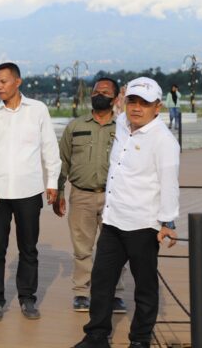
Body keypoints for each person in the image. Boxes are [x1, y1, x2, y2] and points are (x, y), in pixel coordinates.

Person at [74, 77, 180, 348]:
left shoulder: (163, 141)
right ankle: (97, 335)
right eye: (132, 101)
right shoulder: (122, 124)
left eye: (144, 103)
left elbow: (169, 183)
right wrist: (120, 100)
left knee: (145, 287)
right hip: (112, 221)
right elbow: (118, 111)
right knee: (101, 280)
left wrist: (167, 221)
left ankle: (140, 340)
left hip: (143, 225)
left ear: (157, 107)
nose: (137, 108)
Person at [0, 62, 61, 322]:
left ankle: (27, 298)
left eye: (3, 81)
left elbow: (49, 148)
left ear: (18, 82)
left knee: (28, 248)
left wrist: (53, 182)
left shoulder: (37, 110)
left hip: (29, 190)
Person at [54, 77, 127, 313]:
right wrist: (59, 192)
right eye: (96, 91)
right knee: (82, 247)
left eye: (105, 92)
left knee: (115, 248)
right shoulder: (75, 127)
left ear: (115, 99)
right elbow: (62, 161)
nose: (99, 94)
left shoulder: (124, 130)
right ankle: (82, 292)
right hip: (81, 196)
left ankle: (114, 293)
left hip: (114, 198)